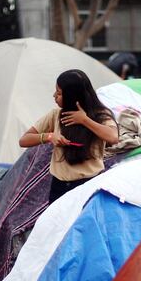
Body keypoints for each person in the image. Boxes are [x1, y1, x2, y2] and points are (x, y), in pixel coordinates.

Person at [18, 69, 119, 203]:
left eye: (59, 93)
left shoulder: (100, 115)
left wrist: (84, 120)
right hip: (59, 186)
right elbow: (24, 140)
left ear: (72, 95)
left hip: (88, 185)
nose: (54, 96)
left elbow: (113, 137)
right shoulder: (56, 115)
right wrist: (49, 136)